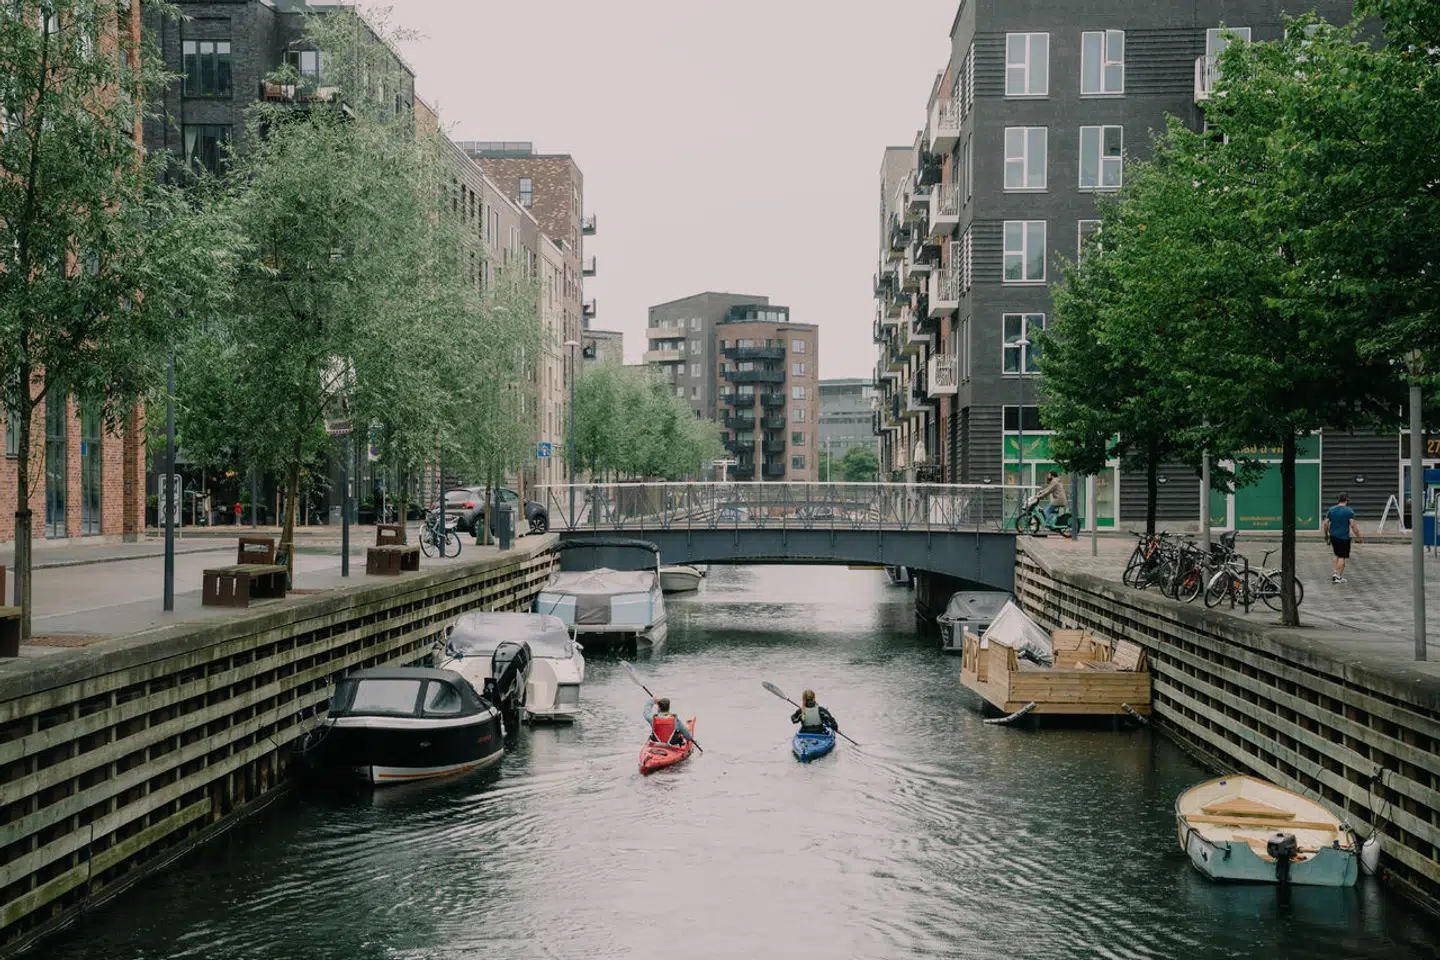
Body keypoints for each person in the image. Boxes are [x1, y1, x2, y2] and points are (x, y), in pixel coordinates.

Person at [1323, 492, 1362, 584]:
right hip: (1343, 537)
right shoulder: (1349, 511)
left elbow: (1325, 523)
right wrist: (1359, 537)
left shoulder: (1331, 510)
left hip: (1333, 536)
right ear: (1346, 501)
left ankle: (1335, 572)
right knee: (1342, 556)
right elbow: (1353, 526)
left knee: (1336, 554)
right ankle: (1338, 577)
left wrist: (1326, 535)